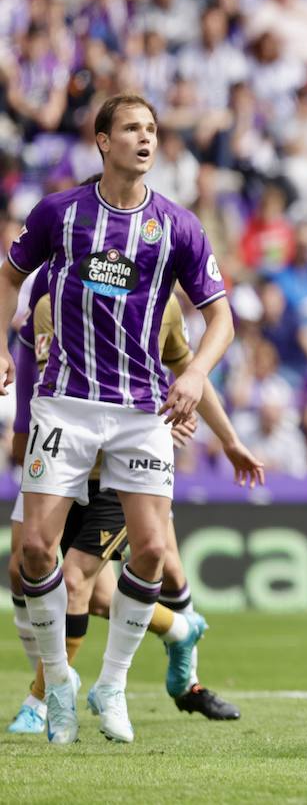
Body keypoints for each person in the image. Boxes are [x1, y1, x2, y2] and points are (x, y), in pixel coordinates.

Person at [0, 93, 233, 745]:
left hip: (139, 411)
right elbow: (7, 277)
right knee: (34, 553)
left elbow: (222, 319)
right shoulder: (61, 215)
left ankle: (111, 683)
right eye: (131, 128)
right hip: (66, 403)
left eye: (152, 129)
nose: (145, 138)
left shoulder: (178, 227)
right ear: (102, 140)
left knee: (156, 550)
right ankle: (58, 682)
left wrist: (192, 376)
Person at [6, 261, 262, 733]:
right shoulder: (48, 299)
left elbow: (186, 371)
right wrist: (24, 434)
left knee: (127, 573)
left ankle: (46, 698)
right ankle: (178, 630)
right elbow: (31, 373)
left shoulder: (157, 304)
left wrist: (225, 438)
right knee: (39, 574)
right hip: (60, 456)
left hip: (117, 471)